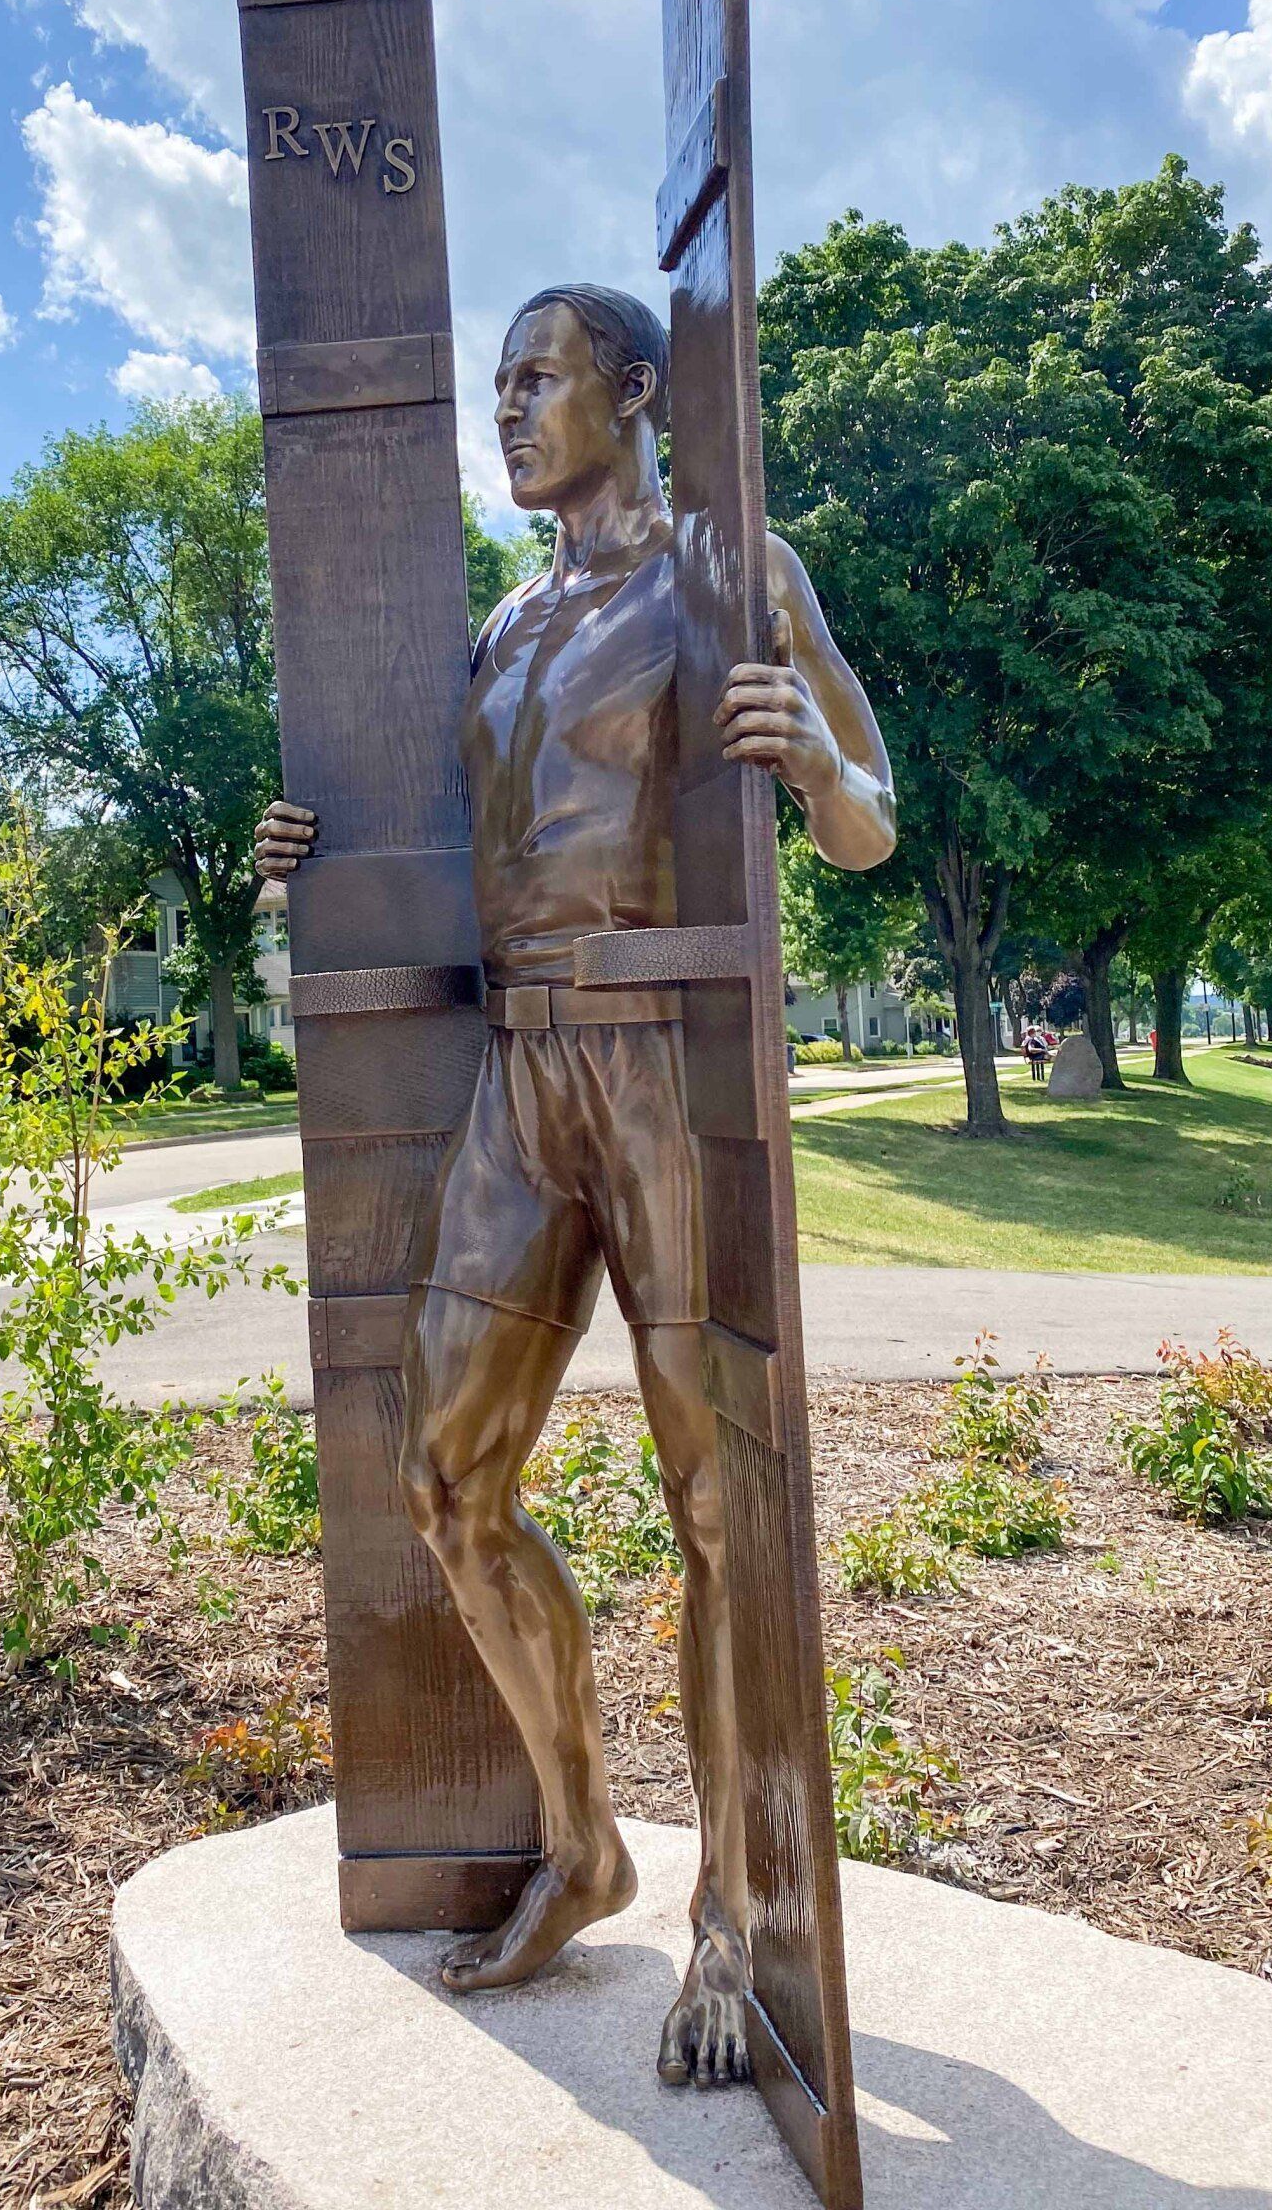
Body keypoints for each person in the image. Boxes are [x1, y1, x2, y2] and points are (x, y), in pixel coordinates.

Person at [255, 285, 895, 2090]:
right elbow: (451, 859)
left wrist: (812, 757)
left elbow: (870, 818)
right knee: (444, 1476)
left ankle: (732, 1914)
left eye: (537, 379)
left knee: (714, 1504)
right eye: (499, 385)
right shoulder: (505, 621)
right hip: (520, 1070)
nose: (509, 409)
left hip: (664, 1066)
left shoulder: (729, 574)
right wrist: (304, 868)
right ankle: (585, 1842)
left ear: (634, 388)